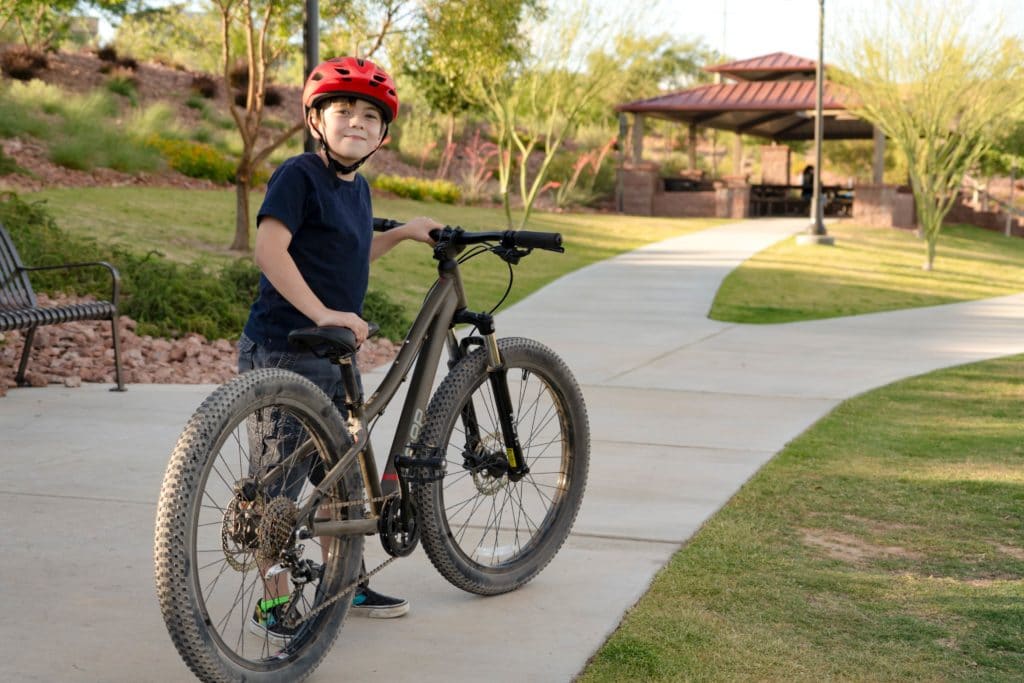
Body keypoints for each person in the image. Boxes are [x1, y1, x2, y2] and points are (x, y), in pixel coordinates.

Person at [237, 56, 440, 643]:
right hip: (284, 347)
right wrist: (324, 312)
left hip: (331, 356)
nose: (356, 121)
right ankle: (274, 601)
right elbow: (269, 251)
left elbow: (351, 251)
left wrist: (403, 232)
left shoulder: (359, 189)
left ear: (383, 135)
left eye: (370, 116)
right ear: (316, 121)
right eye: (343, 110)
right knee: (277, 488)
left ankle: (342, 582)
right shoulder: (298, 175)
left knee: (339, 479)